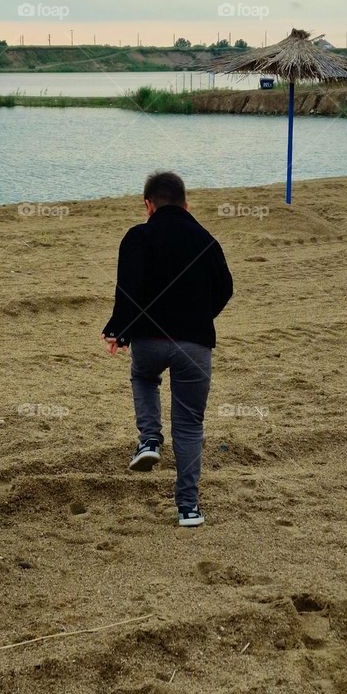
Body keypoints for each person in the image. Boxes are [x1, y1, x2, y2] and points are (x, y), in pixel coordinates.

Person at [102, 170, 233, 527]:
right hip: (195, 345)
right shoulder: (206, 240)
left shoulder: (137, 237)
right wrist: (200, 318)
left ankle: (149, 440)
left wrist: (119, 331)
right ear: (186, 205)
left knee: (144, 377)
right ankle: (188, 508)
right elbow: (225, 288)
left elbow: (127, 290)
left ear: (148, 205)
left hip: (149, 340)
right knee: (189, 424)